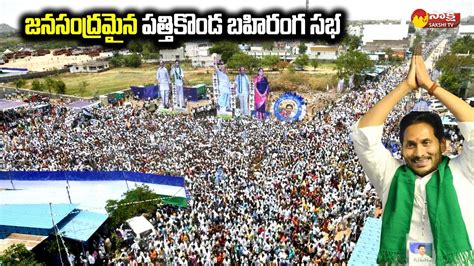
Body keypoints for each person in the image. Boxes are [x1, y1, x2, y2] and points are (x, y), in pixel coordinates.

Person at [352, 51, 474, 265]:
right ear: (401, 148)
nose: (419, 153)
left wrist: (430, 86)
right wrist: (405, 87)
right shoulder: (390, 176)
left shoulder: (463, 172)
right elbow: (363, 136)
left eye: (426, 143)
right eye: (411, 145)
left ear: (442, 145)